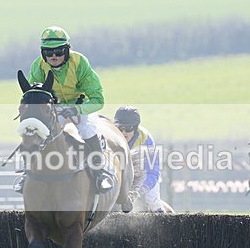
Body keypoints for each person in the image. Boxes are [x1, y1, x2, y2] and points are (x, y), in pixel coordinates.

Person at [24, 25, 113, 193]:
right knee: (35, 131)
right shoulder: (38, 66)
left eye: (59, 52)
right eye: (49, 53)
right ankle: (26, 173)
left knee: (86, 130)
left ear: (67, 50)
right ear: (43, 53)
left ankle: (100, 173)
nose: (54, 56)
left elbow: (98, 100)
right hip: (53, 109)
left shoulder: (79, 63)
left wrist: (77, 110)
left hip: (81, 106)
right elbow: (34, 96)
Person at [114, 106, 165, 212]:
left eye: (128, 129)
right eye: (120, 128)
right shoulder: (110, 135)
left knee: (152, 199)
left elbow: (152, 172)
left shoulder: (145, 139)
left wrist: (137, 192)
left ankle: (160, 213)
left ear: (136, 127)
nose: (123, 133)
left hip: (140, 176)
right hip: (118, 174)